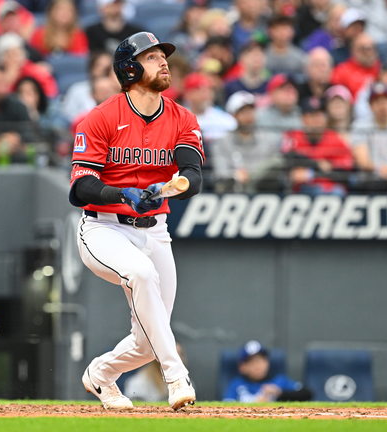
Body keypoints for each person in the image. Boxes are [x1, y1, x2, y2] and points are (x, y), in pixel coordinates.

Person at [70, 32, 202, 411]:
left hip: (155, 229)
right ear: (129, 69)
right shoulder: (101, 117)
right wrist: (121, 193)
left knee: (148, 339)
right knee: (142, 274)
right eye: (152, 57)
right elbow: (81, 186)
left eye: (163, 56)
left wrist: (167, 188)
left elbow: (192, 177)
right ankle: (176, 375)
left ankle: (100, 373)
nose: (163, 62)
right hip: (103, 227)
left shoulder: (181, 117)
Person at [210, 90, 284, 193]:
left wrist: (251, 175)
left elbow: (277, 166)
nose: (248, 116)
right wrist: (235, 175)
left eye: (251, 110)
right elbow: (220, 173)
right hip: (232, 193)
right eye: (243, 112)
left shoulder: (267, 140)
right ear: (234, 115)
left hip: (263, 192)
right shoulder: (222, 142)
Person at [281, 96, 353, 197]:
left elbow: (344, 174)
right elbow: (286, 159)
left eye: (321, 115)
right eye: (313, 115)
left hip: (330, 191)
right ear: (304, 118)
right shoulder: (293, 136)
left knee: (336, 191)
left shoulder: (335, 139)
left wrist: (311, 174)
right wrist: (317, 164)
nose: (318, 119)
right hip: (300, 191)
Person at [223, 340, 313, 403]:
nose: (259, 366)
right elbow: (227, 405)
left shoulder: (278, 380)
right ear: (243, 367)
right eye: (253, 362)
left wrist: (279, 393)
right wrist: (257, 402)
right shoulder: (236, 384)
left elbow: (306, 393)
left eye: (262, 360)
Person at [0, 0, 43, 73]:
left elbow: (42, 66)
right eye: (7, 19)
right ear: (0, 22)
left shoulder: (27, 47)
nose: (11, 22)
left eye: (13, 18)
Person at [0, 33, 59, 99]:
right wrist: (9, 80)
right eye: (11, 55)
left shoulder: (33, 71)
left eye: (18, 54)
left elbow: (50, 93)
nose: (16, 59)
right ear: (2, 58)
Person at [181, 72, 237, 146]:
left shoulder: (225, 120)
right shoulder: (179, 119)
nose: (205, 95)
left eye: (208, 90)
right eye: (199, 91)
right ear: (188, 94)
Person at [123, 343, 189, 402]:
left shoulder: (184, 381)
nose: (177, 359)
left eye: (180, 355)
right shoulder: (138, 383)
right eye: (171, 355)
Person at [255, 73, 303, 151]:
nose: (290, 91)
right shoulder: (259, 115)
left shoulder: (302, 114)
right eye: (283, 88)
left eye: (292, 87)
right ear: (272, 93)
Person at [329, 32, 380, 100]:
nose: (369, 53)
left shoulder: (381, 68)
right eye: (364, 49)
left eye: (371, 48)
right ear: (354, 50)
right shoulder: (341, 71)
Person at [223, 35, 271, 100]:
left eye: (261, 52)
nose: (258, 56)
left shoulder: (271, 86)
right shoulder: (231, 87)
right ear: (241, 58)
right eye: (252, 52)